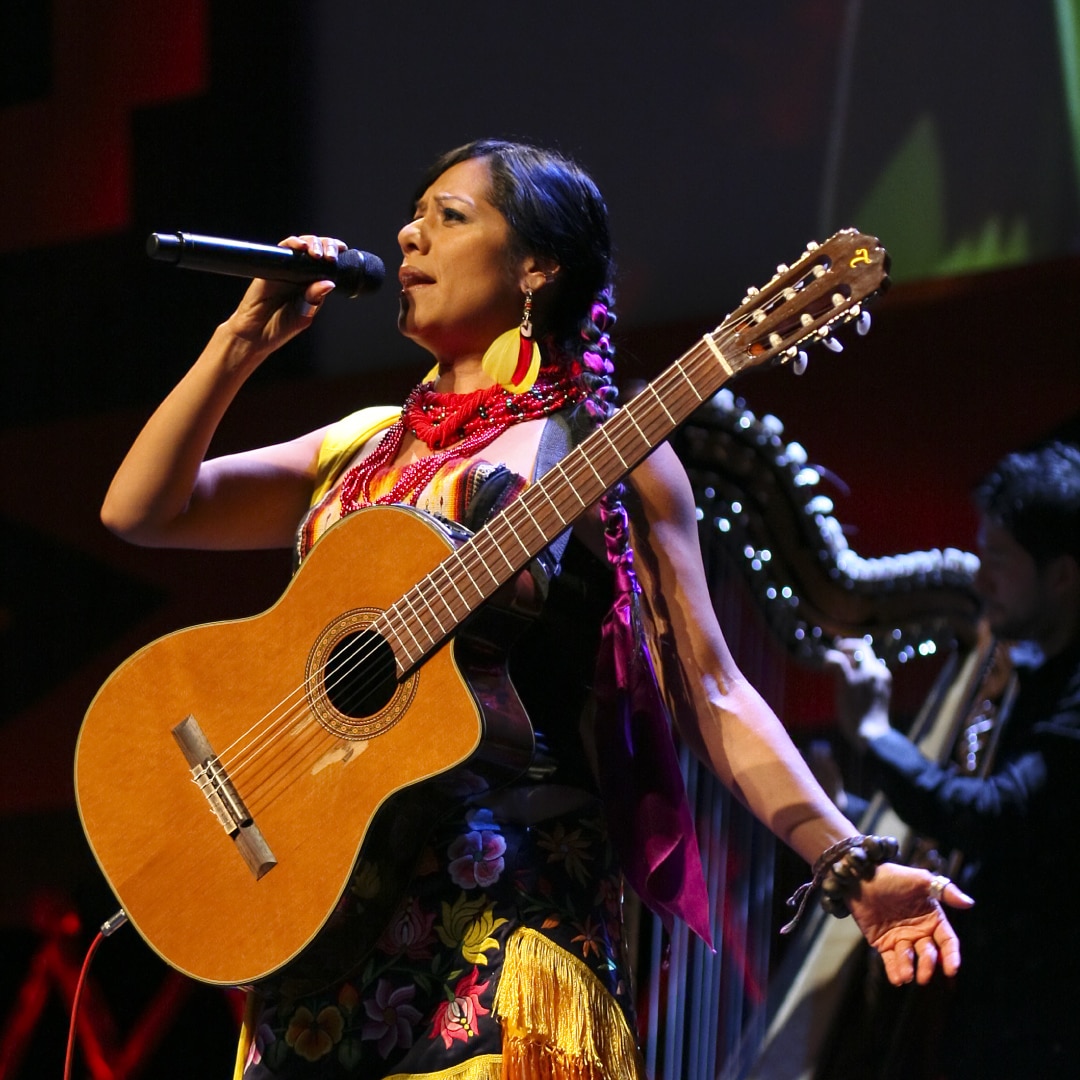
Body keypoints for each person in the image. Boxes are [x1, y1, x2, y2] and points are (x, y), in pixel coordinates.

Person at [101, 139, 971, 1080]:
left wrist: (845, 860)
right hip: (316, 929)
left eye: (449, 216)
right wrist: (239, 344)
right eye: (413, 217)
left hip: (502, 928)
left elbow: (712, 691)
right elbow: (141, 510)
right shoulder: (360, 445)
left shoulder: (605, 451)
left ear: (537, 270)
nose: (407, 236)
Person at [826, 440, 1080, 1079]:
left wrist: (877, 735)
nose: (980, 579)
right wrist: (844, 812)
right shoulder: (1033, 669)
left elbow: (994, 816)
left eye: (999, 558)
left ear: (1062, 576)